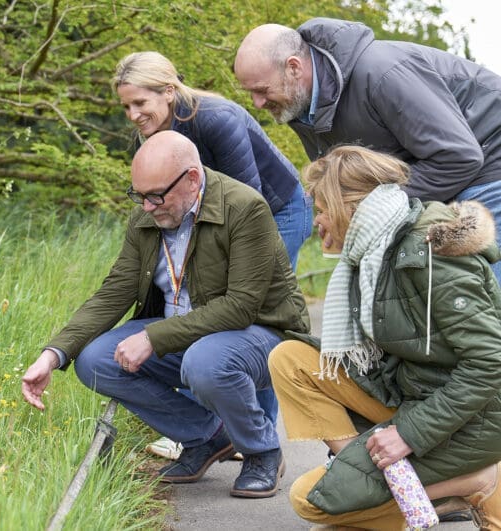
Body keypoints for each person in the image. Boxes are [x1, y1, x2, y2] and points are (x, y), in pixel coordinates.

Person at [21, 130, 310, 498]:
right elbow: (114, 292)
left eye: (156, 195)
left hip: (263, 336)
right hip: (187, 335)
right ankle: (206, 438)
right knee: (94, 360)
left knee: (206, 363)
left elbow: (241, 306)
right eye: (138, 196)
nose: (146, 207)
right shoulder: (148, 215)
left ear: (192, 178)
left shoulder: (244, 207)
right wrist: (53, 354)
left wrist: (152, 338)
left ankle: (260, 450)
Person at [267, 145, 501, 529]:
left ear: (350, 207)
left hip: (475, 419)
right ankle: (375, 470)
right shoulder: (373, 251)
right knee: (290, 358)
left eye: (322, 210)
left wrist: (408, 434)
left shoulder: (430, 255)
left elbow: (490, 363)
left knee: (312, 502)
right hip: (413, 393)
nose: (317, 222)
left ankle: (479, 481)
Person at [113, 51, 313, 459]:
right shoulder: (149, 133)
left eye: (140, 103)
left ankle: (254, 433)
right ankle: (208, 427)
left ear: (168, 92)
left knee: (257, 314)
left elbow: (246, 202)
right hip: (220, 212)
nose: (133, 114)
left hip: (277, 209)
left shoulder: (217, 119)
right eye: (126, 106)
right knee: (196, 305)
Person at [233, 18, 501, 284]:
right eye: (250, 93)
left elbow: (459, 157)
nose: (257, 103)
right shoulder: (298, 104)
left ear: (293, 67)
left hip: (488, 159)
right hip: (445, 171)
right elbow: (347, 180)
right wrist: (335, 213)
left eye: (261, 90)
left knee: (474, 293)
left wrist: (365, 209)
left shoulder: (381, 73)